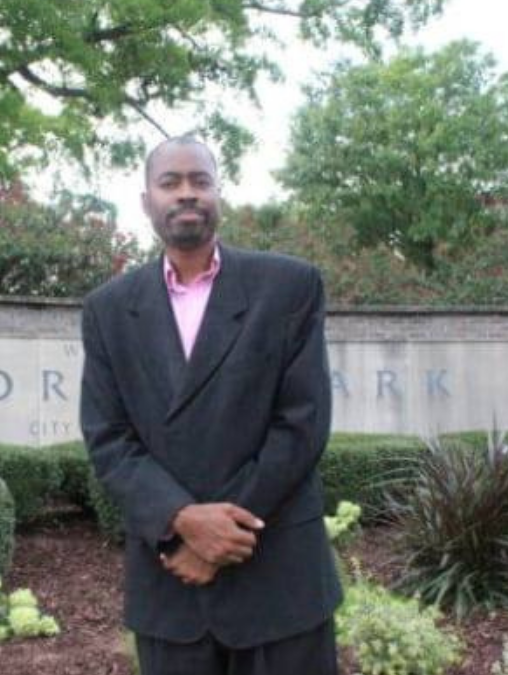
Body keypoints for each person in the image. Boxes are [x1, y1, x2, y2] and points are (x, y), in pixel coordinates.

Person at [79, 135, 342, 675]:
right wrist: (180, 522)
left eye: (200, 180)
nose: (186, 193)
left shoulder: (288, 287)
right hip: (170, 581)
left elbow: (302, 424)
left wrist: (216, 537)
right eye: (170, 182)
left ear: (219, 193)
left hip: (278, 580)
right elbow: (108, 437)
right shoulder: (107, 310)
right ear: (147, 200)